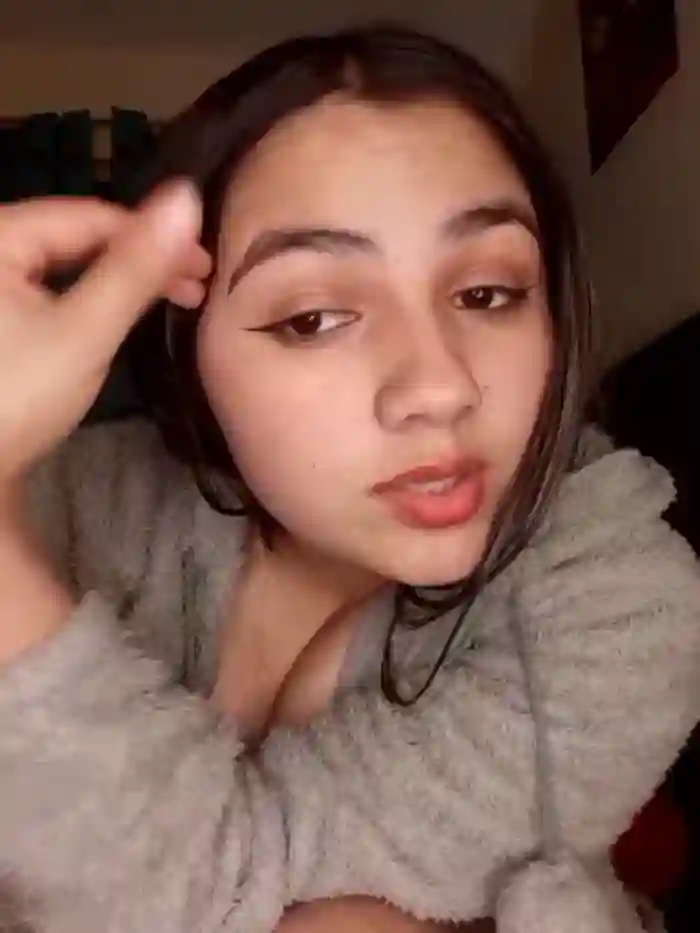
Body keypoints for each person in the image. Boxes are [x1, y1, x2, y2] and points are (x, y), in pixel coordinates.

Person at [0, 23, 697, 933]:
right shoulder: (71, 501)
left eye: (487, 293)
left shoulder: (620, 598)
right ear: (184, 351)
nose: (439, 386)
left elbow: (208, 901)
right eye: (315, 317)